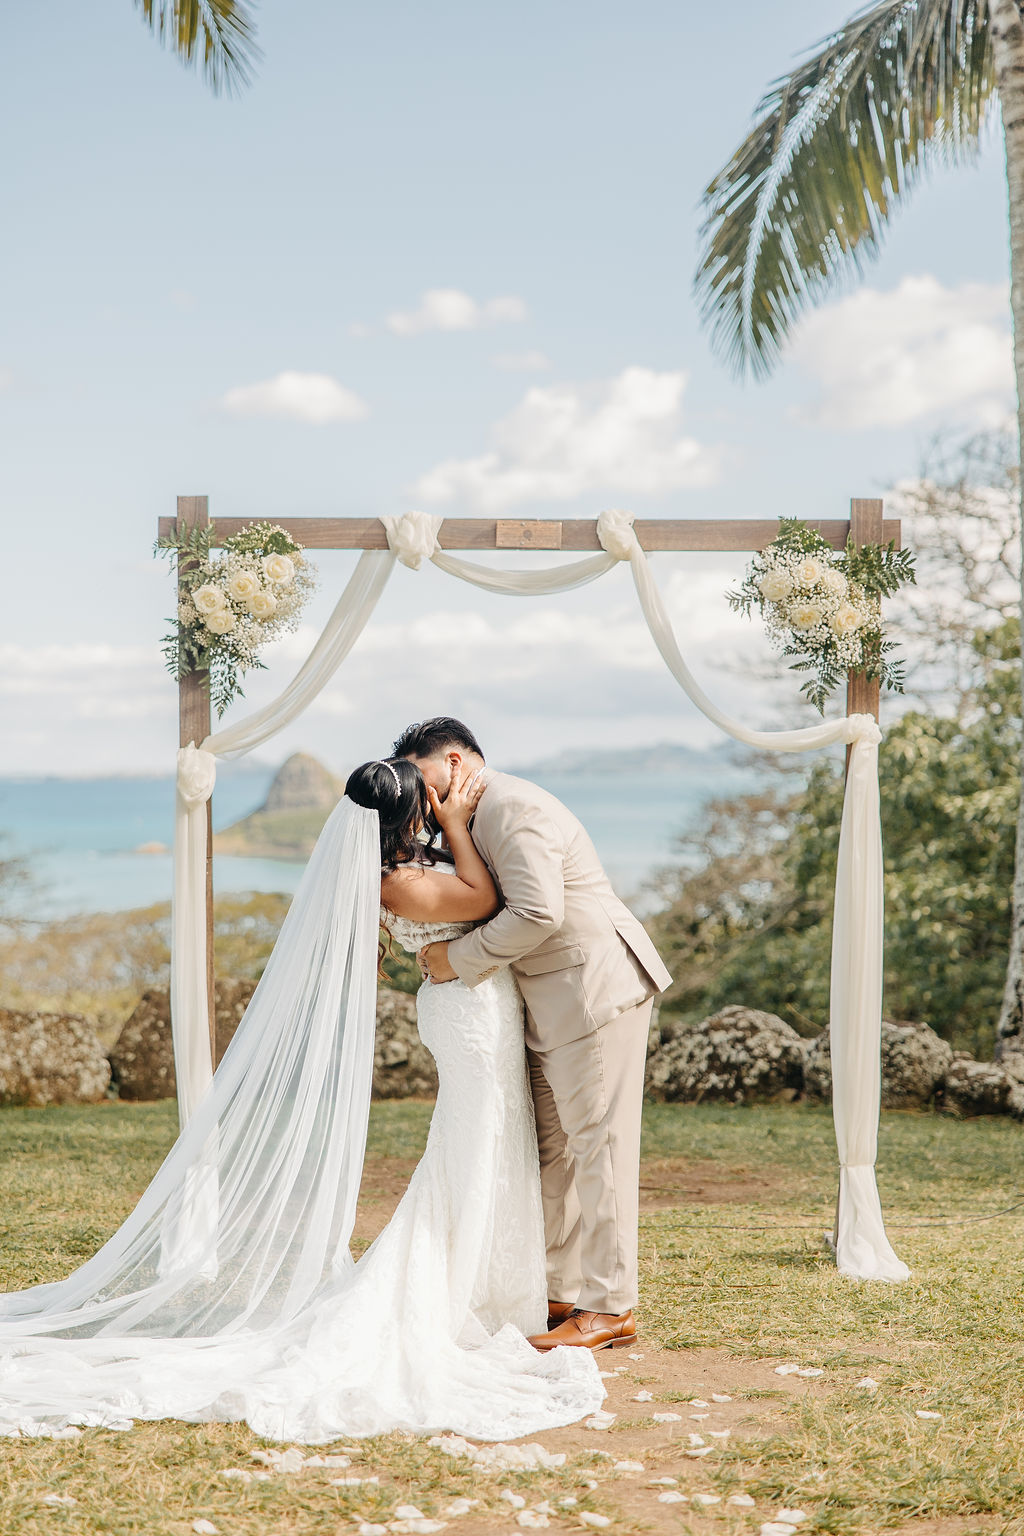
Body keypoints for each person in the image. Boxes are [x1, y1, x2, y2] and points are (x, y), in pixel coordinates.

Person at [0, 759, 603, 1442]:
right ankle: (457, 1288)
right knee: (470, 1149)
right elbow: (487, 901)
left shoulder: (399, 870)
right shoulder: (401, 882)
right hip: (466, 1019)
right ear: (408, 816)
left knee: (492, 1143)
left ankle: (495, 1287)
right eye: (429, 801)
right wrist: (463, 824)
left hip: (474, 1010)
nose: (439, 808)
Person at [394, 717, 673, 1354]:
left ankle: (610, 1306)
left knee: (597, 1150)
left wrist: (455, 962)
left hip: (591, 991)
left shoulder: (513, 807)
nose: (425, 799)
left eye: (429, 779)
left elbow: (538, 911)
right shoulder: (470, 818)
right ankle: (560, 1290)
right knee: (555, 1150)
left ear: (458, 762)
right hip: (547, 1001)